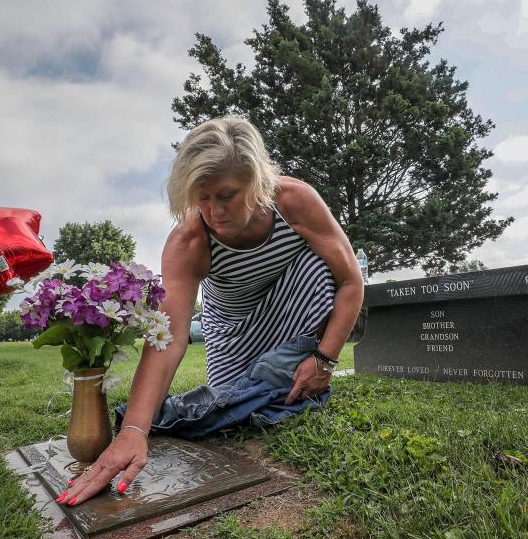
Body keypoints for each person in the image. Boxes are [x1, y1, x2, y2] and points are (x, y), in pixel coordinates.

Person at [57, 117, 364, 507]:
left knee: (319, 268)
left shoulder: (295, 202)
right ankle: (270, 380)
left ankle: (286, 371)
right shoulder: (189, 241)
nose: (213, 211)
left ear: (256, 182)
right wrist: (134, 430)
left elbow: (352, 283)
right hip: (233, 328)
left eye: (227, 195)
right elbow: (168, 338)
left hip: (295, 306)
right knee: (234, 405)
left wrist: (325, 359)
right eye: (202, 198)